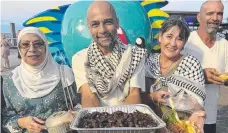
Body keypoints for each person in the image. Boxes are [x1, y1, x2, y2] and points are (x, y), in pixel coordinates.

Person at [2, 27, 80, 133]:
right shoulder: (10, 81)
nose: (32, 49)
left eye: (38, 44)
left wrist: (71, 116)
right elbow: (5, 120)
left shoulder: (65, 74)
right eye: (25, 45)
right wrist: (22, 122)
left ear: (45, 47)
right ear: (19, 49)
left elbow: (81, 106)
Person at [72, 1, 147, 107]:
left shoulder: (135, 55)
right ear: (88, 27)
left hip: (127, 118)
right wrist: (100, 122)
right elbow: (89, 96)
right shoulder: (80, 59)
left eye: (108, 22)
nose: (102, 30)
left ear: (117, 23)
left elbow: (134, 93)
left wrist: (120, 122)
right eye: (95, 24)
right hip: (96, 118)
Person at [144, 17, 206, 132]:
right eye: (169, 36)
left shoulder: (190, 64)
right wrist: (152, 96)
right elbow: (135, 94)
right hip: (148, 126)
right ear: (160, 37)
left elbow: (197, 103)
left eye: (179, 39)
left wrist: (198, 115)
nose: (173, 43)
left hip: (180, 128)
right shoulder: (147, 62)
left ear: (184, 42)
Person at [182, 1, 228, 133]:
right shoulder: (184, 42)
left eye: (219, 14)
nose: (215, 18)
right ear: (199, 17)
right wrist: (200, 75)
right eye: (210, 13)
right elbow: (169, 73)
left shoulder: (224, 45)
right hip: (183, 116)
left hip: (209, 118)